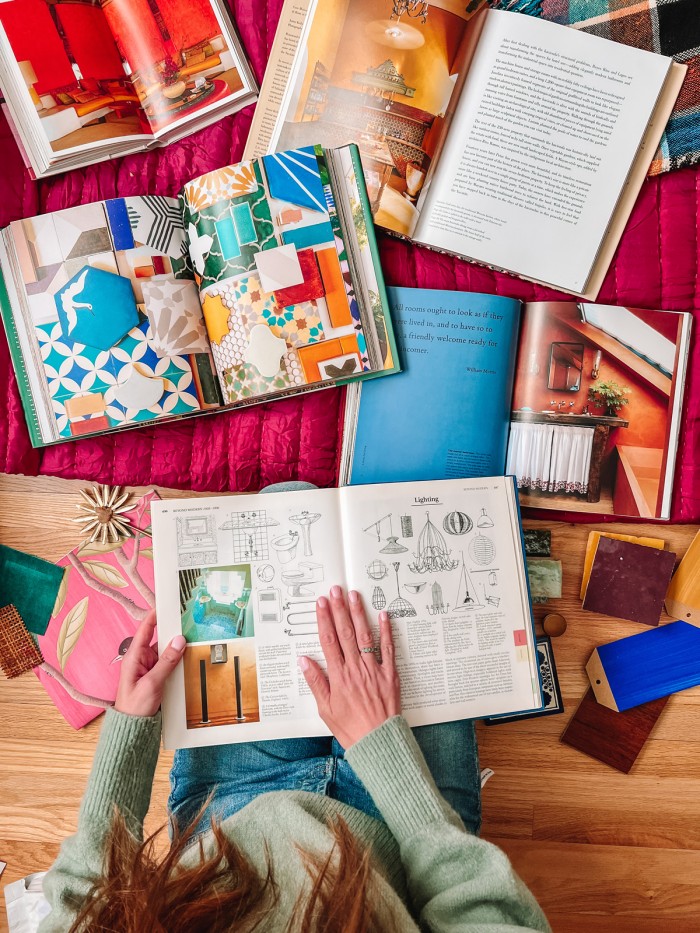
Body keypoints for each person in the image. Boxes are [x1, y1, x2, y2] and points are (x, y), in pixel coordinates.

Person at [38, 587, 551, 932]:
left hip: (226, 818)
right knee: (399, 593)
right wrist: (385, 750)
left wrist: (130, 726)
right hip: (411, 839)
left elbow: (80, 897)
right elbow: (484, 906)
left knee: (287, 501)